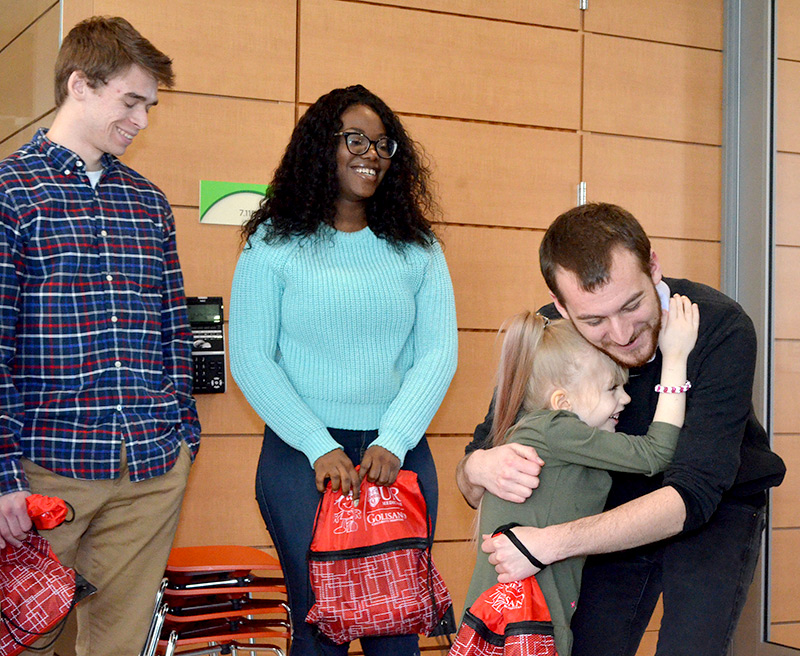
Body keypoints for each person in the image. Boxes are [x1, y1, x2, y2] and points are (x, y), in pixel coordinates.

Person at [459, 203, 786, 656]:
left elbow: (692, 496)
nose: (621, 333)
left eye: (631, 305)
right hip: (605, 507)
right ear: (561, 307)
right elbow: (477, 460)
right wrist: (479, 466)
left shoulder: (719, 326)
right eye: (593, 320)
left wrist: (549, 543)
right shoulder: (552, 336)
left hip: (712, 505)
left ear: (653, 268)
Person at [229, 84, 458, 656]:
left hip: (397, 455)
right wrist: (316, 444)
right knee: (318, 629)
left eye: (384, 145)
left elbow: (438, 352)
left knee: (397, 627)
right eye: (355, 139)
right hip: (300, 457)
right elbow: (252, 358)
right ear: (321, 147)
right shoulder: (272, 243)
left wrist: (396, 438)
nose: (371, 155)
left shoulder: (418, 247)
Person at [0, 15, 199, 656]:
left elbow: (173, 327)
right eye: (131, 101)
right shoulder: (11, 194)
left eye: (150, 105)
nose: (142, 119)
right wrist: (3, 476)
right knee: (26, 642)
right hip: (44, 475)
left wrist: (183, 434)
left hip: (150, 468)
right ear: (80, 85)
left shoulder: (148, 203)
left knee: (116, 644)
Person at [464, 297, 697, 656]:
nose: (625, 400)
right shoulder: (557, 429)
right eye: (611, 389)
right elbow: (657, 452)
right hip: (523, 626)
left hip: (515, 622)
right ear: (563, 402)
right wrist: (676, 358)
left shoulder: (545, 435)